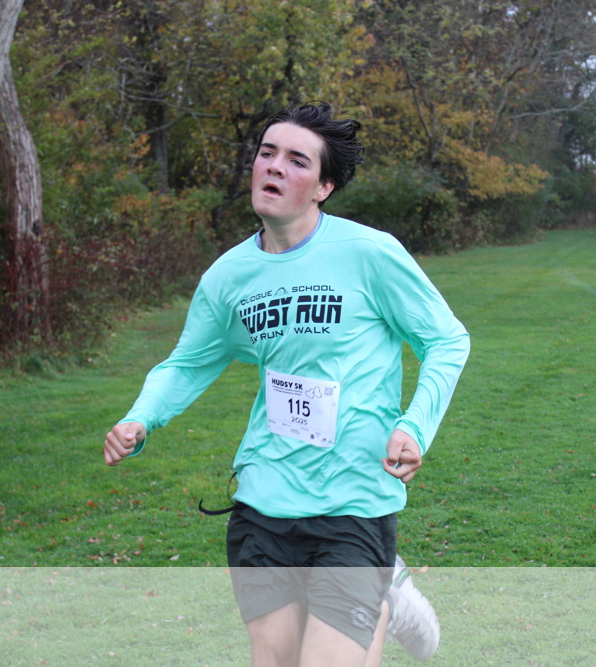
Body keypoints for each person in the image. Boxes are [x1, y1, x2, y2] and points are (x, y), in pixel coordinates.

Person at [104, 102, 469, 666]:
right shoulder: (229, 275)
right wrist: (140, 417)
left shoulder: (368, 254)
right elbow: (189, 362)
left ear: (323, 187)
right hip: (264, 497)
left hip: (353, 499)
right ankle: (383, 597)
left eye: (297, 160)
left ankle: (383, 601)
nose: (274, 166)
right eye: (267, 153)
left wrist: (415, 426)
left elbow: (446, 340)